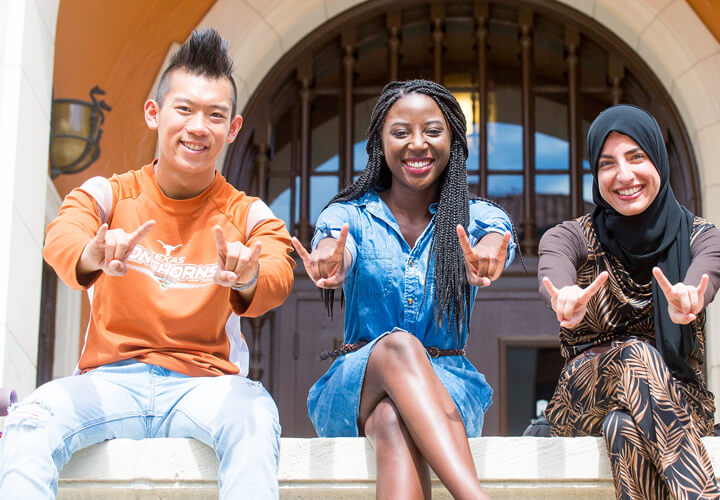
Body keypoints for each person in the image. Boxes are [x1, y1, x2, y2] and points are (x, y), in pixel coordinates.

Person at [0, 28, 294, 500]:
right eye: (185, 109)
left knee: (255, 414)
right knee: (29, 421)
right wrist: (91, 253)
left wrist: (250, 274)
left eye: (215, 115)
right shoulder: (109, 193)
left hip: (206, 386)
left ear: (232, 129)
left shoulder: (247, 212)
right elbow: (63, 234)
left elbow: (279, 270)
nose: (199, 126)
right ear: (154, 114)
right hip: (110, 381)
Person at [292, 79, 516, 500]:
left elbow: (494, 242)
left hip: (447, 389)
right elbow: (335, 246)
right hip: (356, 384)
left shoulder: (478, 216)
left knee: (393, 420)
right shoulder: (350, 215)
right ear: (380, 141)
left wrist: (485, 257)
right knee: (398, 346)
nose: (418, 144)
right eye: (401, 132)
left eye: (433, 131)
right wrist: (330, 261)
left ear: (454, 141)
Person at [539, 104, 720, 500]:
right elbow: (554, 266)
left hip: (679, 398)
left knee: (622, 428)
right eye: (607, 164)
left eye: (636, 156)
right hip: (585, 394)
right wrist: (564, 295)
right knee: (634, 354)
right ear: (595, 173)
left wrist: (692, 296)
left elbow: (706, 273)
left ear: (657, 159)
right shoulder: (572, 236)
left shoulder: (700, 237)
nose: (624, 175)